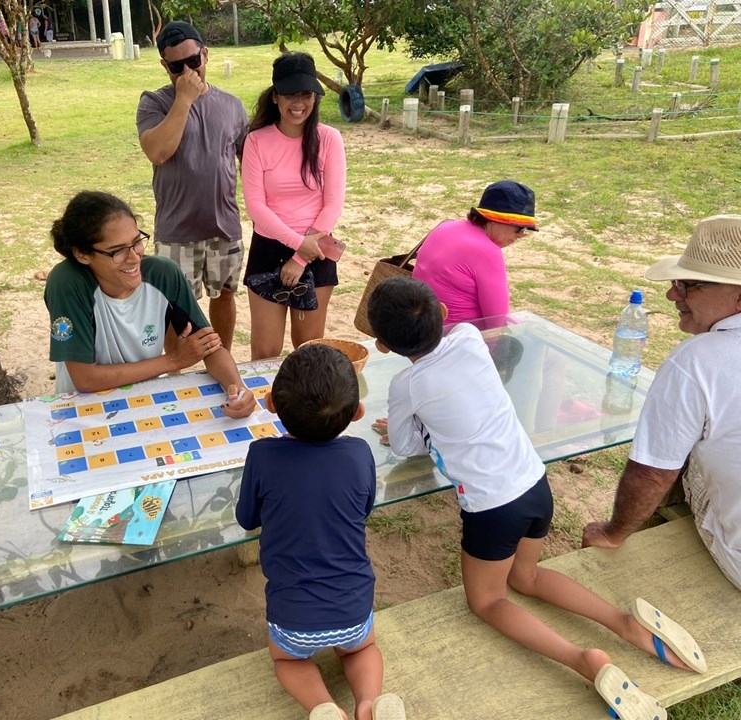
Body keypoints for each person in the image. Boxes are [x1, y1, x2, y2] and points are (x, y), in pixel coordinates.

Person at [368, 276, 706, 718]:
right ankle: (624, 622)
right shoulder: (467, 336)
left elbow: (406, 445)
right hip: (534, 485)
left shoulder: (406, 385)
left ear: (383, 346)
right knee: (526, 577)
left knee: (487, 601)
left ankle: (583, 659)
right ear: (444, 314)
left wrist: (409, 430)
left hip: (493, 508)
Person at [236, 343, 406, 720]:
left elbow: (247, 519)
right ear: (358, 413)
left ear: (271, 403)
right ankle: (369, 703)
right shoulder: (360, 453)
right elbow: (362, 510)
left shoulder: (262, 454)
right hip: (354, 610)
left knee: (289, 661)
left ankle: (324, 708)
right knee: (362, 649)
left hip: (292, 619)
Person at [583, 215, 741, 593]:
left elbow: (653, 473)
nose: (673, 295)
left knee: (688, 460)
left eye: (689, 284)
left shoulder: (699, 359)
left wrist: (613, 533)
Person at [43, 190, 256, 420]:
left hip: (144, 402)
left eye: (136, 242)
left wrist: (237, 388)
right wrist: (173, 360)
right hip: (84, 409)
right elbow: (85, 379)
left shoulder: (163, 274)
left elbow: (209, 345)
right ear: (82, 255)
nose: (134, 257)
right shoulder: (67, 282)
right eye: (117, 251)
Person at [137, 21, 248, 352]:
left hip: (224, 226)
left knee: (224, 295)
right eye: (176, 66)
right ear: (164, 66)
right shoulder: (154, 103)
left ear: (206, 54)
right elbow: (158, 152)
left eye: (193, 61)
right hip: (176, 230)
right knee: (177, 309)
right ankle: (176, 370)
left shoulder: (232, 105)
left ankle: (222, 359)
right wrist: (184, 99)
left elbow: (251, 161)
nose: (187, 71)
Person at [241, 52, 346, 360]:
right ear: (275, 96)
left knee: (309, 348)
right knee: (265, 351)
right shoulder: (256, 141)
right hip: (270, 248)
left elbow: (333, 203)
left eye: (306, 95)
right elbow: (256, 206)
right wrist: (298, 244)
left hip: (317, 249)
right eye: (290, 94)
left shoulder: (329, 139)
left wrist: (301, 256)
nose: (298, 103)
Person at [412, 180, 537, 326]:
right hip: (456, 336)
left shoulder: (445, 227)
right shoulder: (488, 252)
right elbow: (496, 322)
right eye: (519, 229)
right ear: (497, 220)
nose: (521, 235)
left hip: (419, 327)